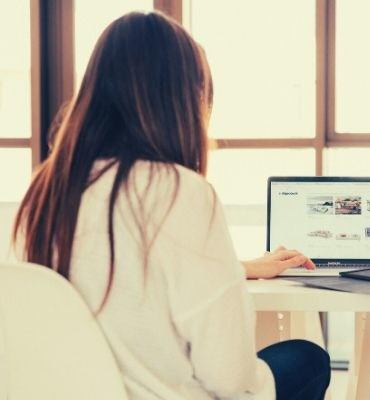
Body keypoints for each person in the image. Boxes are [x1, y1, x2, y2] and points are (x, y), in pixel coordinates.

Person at [13, 11, 329, 400]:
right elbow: (230, 378)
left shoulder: (44, 193)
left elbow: (125, 279)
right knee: (307, 359)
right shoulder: (182, 192)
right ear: (183, 101)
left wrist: (238, 269)